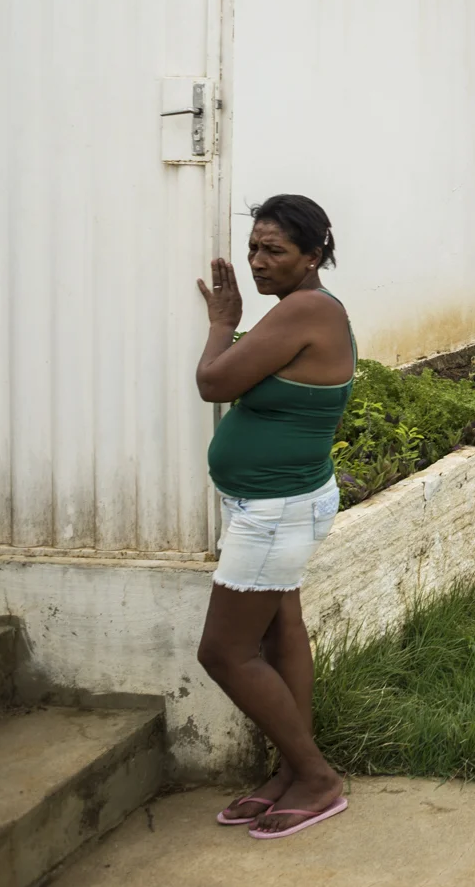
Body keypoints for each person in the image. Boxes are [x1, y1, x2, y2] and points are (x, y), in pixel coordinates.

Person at [193, 194, 354, 839]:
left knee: (224, 652)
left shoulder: (307, 309)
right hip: (275, 502)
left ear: (313, 257)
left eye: (275, 251)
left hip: (275, 510)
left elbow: (213, 382)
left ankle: (317, 778)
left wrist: (221, 322)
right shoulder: (299, 309)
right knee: (278, 633)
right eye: (254, 247)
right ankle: (293, 771)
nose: (257, 261)